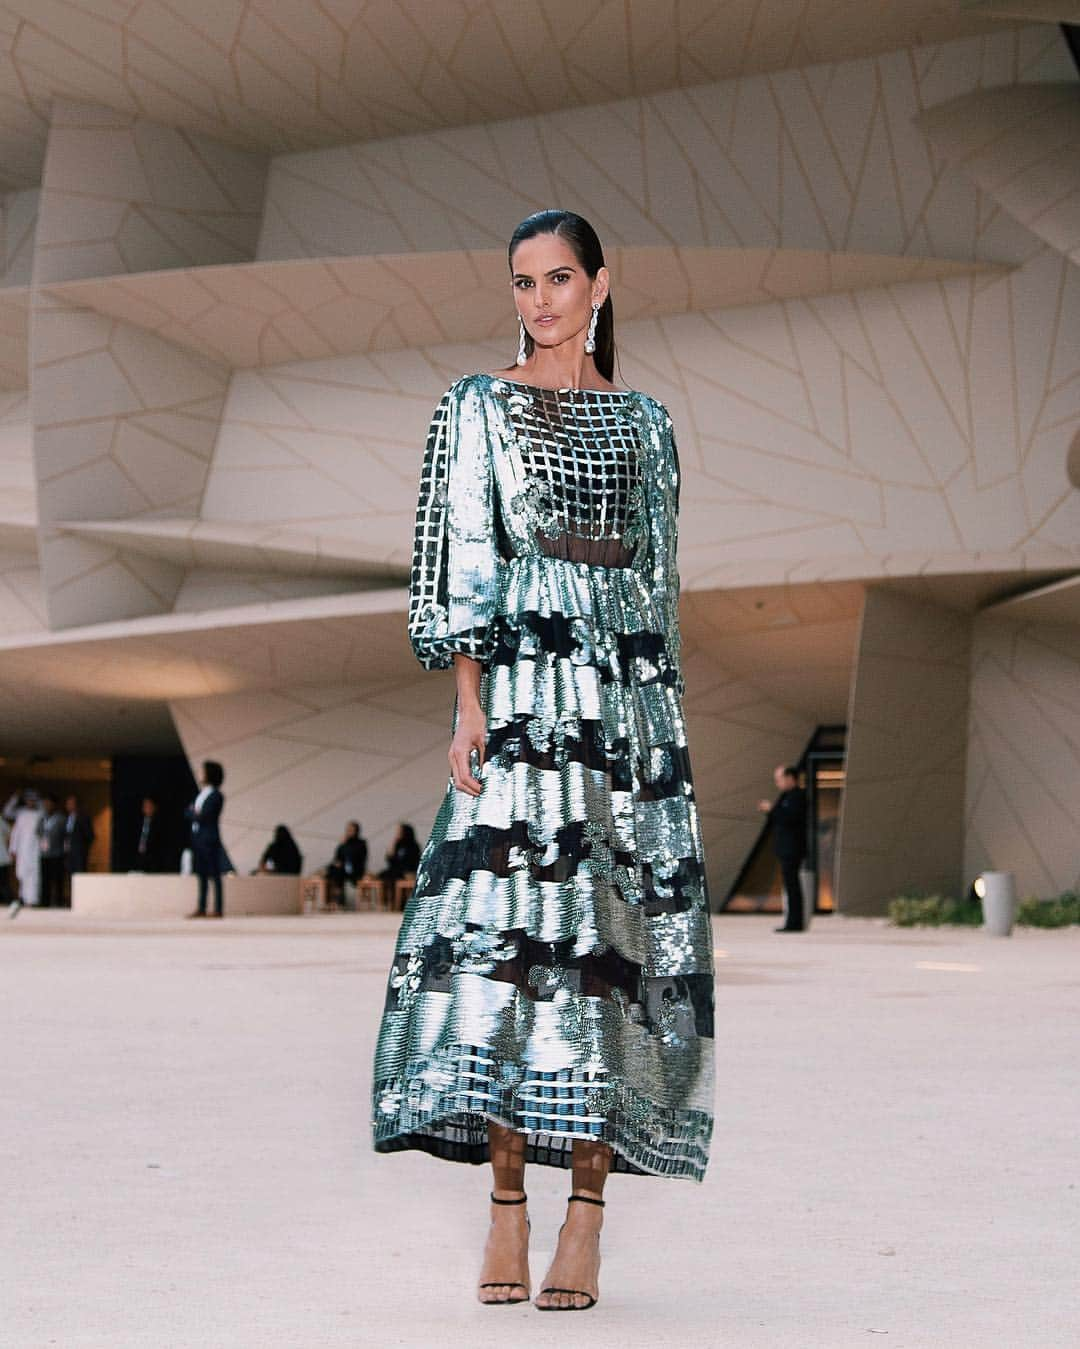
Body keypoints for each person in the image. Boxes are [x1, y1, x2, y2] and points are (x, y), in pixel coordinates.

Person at [371, 210, 714, 1312]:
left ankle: (589, 1220)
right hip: (522, 694)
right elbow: (465, 552)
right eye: (523, 281)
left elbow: (659, 584)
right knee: (514, 947)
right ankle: (509, 1205)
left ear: (602, 284)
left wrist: (656, 735)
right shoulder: (475, 405)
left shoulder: (650, 423)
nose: (540, 300)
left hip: (625, 704)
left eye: (559, 277)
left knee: (614, 949)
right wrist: (468, 704)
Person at [757, 764, 810, 932]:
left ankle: (794, 922)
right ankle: (792, 921)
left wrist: (772, 809)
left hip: (792, 847)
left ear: (790, 778)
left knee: (792, 885)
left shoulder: (797, 797)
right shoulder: (786, 796)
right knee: (789, 885)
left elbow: (789, 819)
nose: (777, 783)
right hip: (786, 847)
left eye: (779, 779)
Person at [186, 761, 225, 919]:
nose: (200, 773)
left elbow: (204, 816)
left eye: (203, 771)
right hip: (198, 838)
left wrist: (193, 813)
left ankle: (218, 908)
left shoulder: (216, 795)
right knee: (201, 873)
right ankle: (201, 907)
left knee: (214, 874)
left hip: (209, 838)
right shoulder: (201, 794)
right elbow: (190, 812)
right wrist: (193, 813)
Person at [6, 792, 43, 914]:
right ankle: (23, 898)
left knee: (33, 875)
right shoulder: (21, 813)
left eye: (33, 800)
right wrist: (15, 797)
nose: (30, 802)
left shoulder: (39, 813)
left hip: (34, 850)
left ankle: (31, 901)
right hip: (22, 850)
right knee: (21, 874)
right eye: (28, 800)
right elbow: (8, 813)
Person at [37, 795, 67, 908]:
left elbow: (65, 835)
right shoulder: (42, 818)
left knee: (58, 879)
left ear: (54, 805)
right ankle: (45, 901)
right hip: (44, 854)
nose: (46, 806)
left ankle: (59, 901)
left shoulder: (61, 819)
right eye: (45, 804)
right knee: (45, 879)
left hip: (57, 853)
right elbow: (38, 832)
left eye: (49, 804)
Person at [325, 821, 368, 897]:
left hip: (355, 869)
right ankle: (332, 897)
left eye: (351, 830)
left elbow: (354, 858)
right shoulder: (345, 843)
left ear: (356, 831)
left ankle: (338, 897)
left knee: (337, 871)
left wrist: (345, 845)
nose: (348, 832)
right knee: (332, 870)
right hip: (343, 868)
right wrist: (341, 845)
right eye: (347, 830)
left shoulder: (361, 843)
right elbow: (337, 857)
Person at [63, 794, 95, 896]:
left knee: (80, 877)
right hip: (68, 853)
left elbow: (90, 836)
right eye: (67, 804)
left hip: (79, 854)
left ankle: (81, 897)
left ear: (76, 805)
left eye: (71, 804)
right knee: (69, 877)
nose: (68, 806)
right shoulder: (67, 818)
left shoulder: (83, 818)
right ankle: (71, 899)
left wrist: (83, 849)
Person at [377, 823, 420, 887]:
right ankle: (386, 896)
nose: (397, 833)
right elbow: (390, 859)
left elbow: (413, 861)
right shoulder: (398, 844)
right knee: (382, 876)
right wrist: (394, 843)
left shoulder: (413, 845)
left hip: (407, 871)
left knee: (394, 878)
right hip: (396, 870)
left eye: (399, 831)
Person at [135, 796, 166, 873]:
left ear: (154, 807)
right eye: (145, 806)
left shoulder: (159, 823)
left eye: (149, 806)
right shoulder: (139, 822)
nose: (147, 808)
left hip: (153, 857)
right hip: (140, 855)